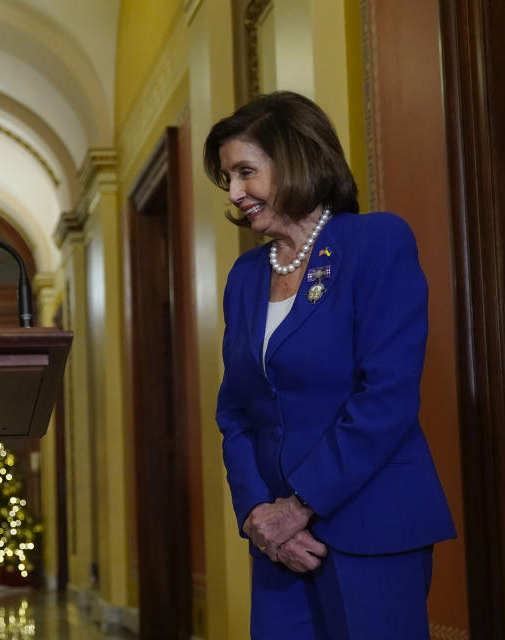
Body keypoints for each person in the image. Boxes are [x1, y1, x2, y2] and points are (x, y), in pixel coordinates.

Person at [204, 91, 455, 639]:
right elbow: (237, 412)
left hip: (374, 526)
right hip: (279, 545)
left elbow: (385, 396)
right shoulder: (245, 276)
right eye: (229, 178)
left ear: (296, 159)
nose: (236, 192)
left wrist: (302, 505)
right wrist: (257, 515)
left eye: (247, 171)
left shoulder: (375, 242)